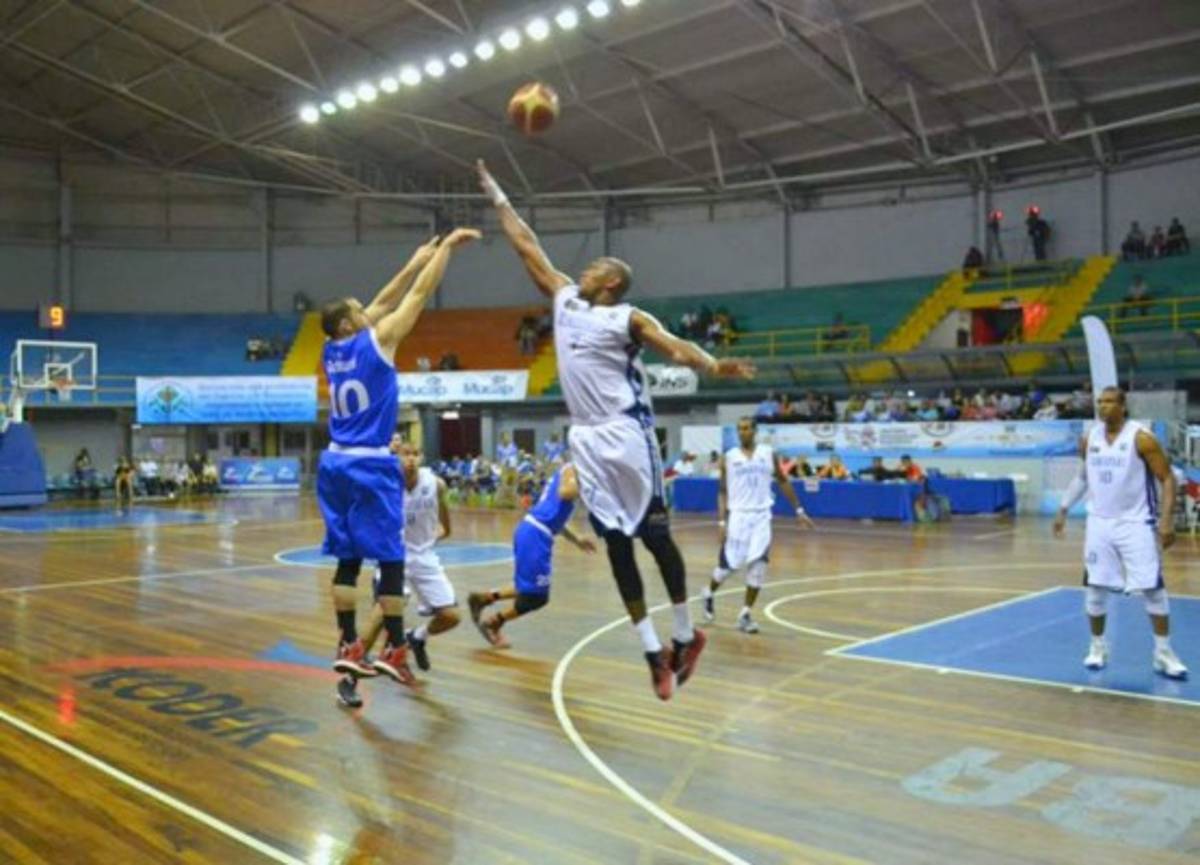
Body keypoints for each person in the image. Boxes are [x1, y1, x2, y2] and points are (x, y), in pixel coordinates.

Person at [479, 159, 754, 700]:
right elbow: (527, 245)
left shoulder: (628, 317)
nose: (581, 270)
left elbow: (674, 346)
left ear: (609, 281)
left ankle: (684, 634)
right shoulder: (562, 300)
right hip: (586, 437)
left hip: (627, 434)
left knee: (654, 537)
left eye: (594, 267)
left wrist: (712, 365)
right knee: (618, 549)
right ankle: (653, 651)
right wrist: (496, 195)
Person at [318, 230, 479, 691]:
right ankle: (394, 648)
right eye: (358, 310)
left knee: (347, 560)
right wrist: (444, 252)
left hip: (334, 462)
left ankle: (348, 642)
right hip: (370, 462)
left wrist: (412, 260)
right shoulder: (379, 341)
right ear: (351, 323)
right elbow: (418, 296)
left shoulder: (333, 349)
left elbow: (382, 301)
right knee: (391, 557)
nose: (367, 311)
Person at [1053, 386, 1186, 678]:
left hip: (1136, 524)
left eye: (1110, 402)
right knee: (1096, 588)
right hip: (1099, 524)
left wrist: (1166, 521)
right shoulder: (1089, 439)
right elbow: (1082, 478)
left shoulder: (1142, 439)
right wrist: (1063, 508)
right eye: (1100, 402)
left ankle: (1163, 652)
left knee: (1152, 588)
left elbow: (1167, 480)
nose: (1103, 407)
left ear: (1123, 406)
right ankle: (1098, 646)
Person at [337, 436, 461, 708]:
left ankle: (415, 639)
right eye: (406, 454)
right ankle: (348, 680)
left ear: (422, 458)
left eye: (416, 454)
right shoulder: (385, 487)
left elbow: (446, 527)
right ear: (396, 457)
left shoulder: (435, 485)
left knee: (451, 616)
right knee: (383, 612)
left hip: (424, 557)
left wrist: (428, 541)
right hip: (393, 557)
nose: (411, 459)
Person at [702, 417, 814, 633]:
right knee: (728, 568)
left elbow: (782, 480)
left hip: (762, 516)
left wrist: (799, 510)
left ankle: (745, 614)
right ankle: (709, 592)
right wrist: (721, 521)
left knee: (759, 566)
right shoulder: (729, 457)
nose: (742, 432)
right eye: (739, 429)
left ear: (754, 431)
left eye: (746, 428)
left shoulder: (768, 453)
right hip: (738, 517)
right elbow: (722, 491)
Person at [468, 463, 597, 647]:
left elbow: (554, 518)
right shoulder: (573, 469)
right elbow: (566, 492)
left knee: (529, 587)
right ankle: (492, 623)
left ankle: (483, 598)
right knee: (536, 597)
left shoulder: (572, 472)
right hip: (534, 534)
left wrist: (576, 539)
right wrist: (591, 484)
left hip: (535, 533)